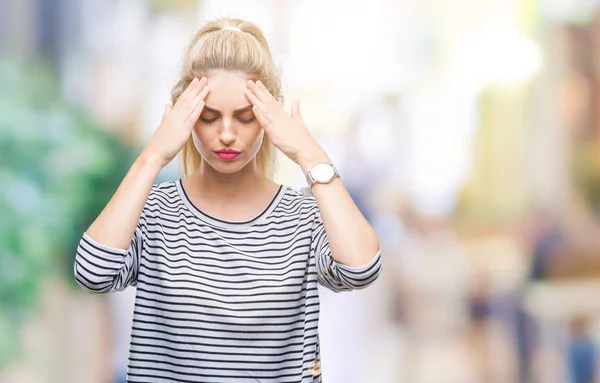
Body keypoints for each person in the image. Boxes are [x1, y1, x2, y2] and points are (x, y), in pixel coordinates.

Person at [73, 17, 382, 382]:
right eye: (208, 117)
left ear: (268, 118)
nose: (226, 134)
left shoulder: (304, 215)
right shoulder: (154, 210)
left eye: (245, 117)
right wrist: (152, 157)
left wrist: (308, 152)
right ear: (186, 117)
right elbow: (92, 274)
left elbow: (361, 270)